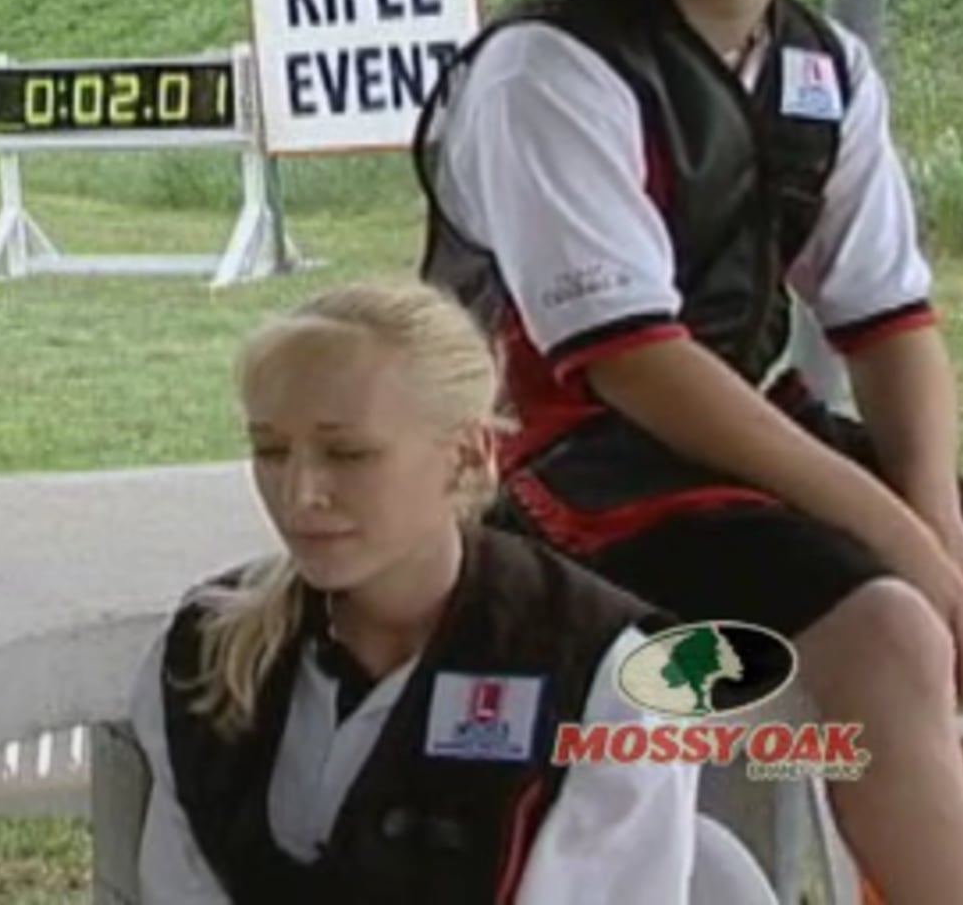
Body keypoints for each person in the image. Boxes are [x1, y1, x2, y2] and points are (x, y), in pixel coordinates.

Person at [415, 0, 963, 904]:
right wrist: (905, 538)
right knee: (891, 625)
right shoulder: (552, 62)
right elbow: (630, 363)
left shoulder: (827, 67)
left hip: (730, 436)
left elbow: (889, 320)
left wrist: (935, 507)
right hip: (544, 456)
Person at [128, 280, 700, 903]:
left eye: (348, 453)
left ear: (467, 455)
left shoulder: (605, 678)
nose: (300, 494)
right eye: (270, 451)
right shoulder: (201, 657)